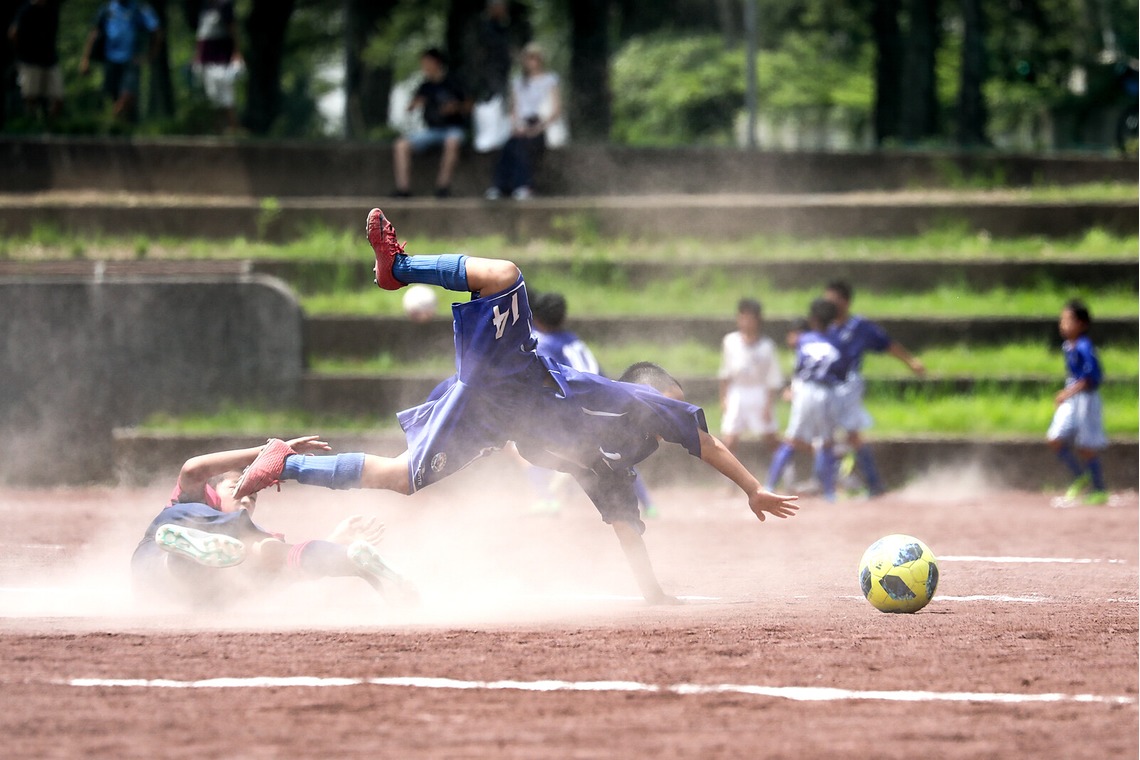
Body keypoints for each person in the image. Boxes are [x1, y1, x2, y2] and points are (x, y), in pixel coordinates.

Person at [231, 208, 799, 605]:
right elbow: (707, 441)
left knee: (401, 477)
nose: (675, 415)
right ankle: (397, 268)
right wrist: (752, 488)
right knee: (505, 275)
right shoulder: (633, 401)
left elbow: (628, 529)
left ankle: (285, 462)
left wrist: (652, 593)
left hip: (487, 416)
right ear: (649, 395)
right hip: (517, 377)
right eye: (669, 400)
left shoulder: (612, 467)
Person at [132, 435, 415, 608]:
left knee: (269, 553)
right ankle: (184, 552)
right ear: (212, 489)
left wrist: (334, 543)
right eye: (236, 489)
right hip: (157, 554)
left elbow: (290, 570)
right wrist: (268, 451)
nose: (246, 499)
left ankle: (351, 560)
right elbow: (194, 468)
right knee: (248, 544)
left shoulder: (250, 536)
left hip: (199, 592)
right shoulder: (190, 503)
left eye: (253, 497)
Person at [822, 280, 924, 497]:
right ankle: (831, 484)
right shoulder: (824, 326)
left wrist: (910, 361)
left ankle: (871, 483)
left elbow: (888, 344)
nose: (828, 305)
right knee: (827, 435)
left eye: (832, 300)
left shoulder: (860, 327)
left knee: (851, 435)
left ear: (846, 301)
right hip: (826, 387)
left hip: (848, 386)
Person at [765, 299, 850, 503]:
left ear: (812, 319)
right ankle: (829, 492)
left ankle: (769, 485)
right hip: (827, 391)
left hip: (805, 389)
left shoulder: (804, 339)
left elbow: (799, 363)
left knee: (791, 440)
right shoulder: (837, 342)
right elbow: (842, 372)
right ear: (833, 321)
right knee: (827, 442)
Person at [1047, 299, 1108, 506]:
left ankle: (1099, 489)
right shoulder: (1068, 346)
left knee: (1086, 446)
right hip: (1073, 397)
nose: (1062, 325)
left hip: (1086, 399)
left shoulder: (1084, 347)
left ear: (1081, 324)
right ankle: (1080, 476)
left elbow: (1092, 378)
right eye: (1061, 320)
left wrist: (1067, 393)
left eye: (1067, 320)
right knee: (1055, 437)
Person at [392, 48, 472, 199]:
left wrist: (455, 107)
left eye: (426, 63)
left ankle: (443, 187)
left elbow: (469, 105)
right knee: (401, 145)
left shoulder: (453, 82)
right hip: (432, 130)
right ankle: (403, 188)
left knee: (452, 141)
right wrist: (414, 104)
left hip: (452, 128)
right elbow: (411, 106)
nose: (424, 67)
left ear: (436, 63)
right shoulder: (425, 86)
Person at [485, 42, 560, 200]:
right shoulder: (518, 82)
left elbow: (555, 110)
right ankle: (499, 186)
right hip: (521, 124)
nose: (532, 62)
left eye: (535, 58)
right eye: (528, 58)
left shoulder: (550, 80)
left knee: (522, 147)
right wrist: (516, 125)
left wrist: (536, 129)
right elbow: (514, 108)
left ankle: (523, 185)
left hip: (538, 124)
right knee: (509, 147)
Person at [718, 298, 784, 457]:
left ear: (758, 320)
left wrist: (768, 405)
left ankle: (787, 474)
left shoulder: (767, 346)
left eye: (750, 318)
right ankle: (729, 478)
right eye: (742, 317)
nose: (745, 322)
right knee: (729, 438)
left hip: (759, 393)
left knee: (771, 438)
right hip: (737, 392)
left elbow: (772, 378)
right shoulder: (730, 342)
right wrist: (723, 397)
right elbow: (725, 372)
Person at [79, 0, 161, 125]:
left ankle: (111, 122)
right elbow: (95, 33)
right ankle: (124, 127)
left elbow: (156, 29)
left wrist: (151, 55)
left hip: (131, 60)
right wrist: (85, 59)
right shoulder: (107, 9)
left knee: (127, 94)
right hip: (110, 59)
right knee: (114, 96)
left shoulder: (139, 8)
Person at [192, 0, 242, 134]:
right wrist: (197, 55)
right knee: (211, 96)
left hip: (221, 57)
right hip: (205, 59)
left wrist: (236, 52)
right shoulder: (204, 7)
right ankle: (216, 129)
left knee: (226, 94)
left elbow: (232, 28)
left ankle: (233, 127)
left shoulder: (224, 6)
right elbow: (201, 35)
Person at [8, 0, 62, 122]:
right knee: (30, 95)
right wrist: (21, 53)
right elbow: (13, 33)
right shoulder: (26, 10)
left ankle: (49, 124)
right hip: (29, 61)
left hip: (50, 60)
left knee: (58, 96)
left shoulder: (52, 8)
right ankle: (31, 123)